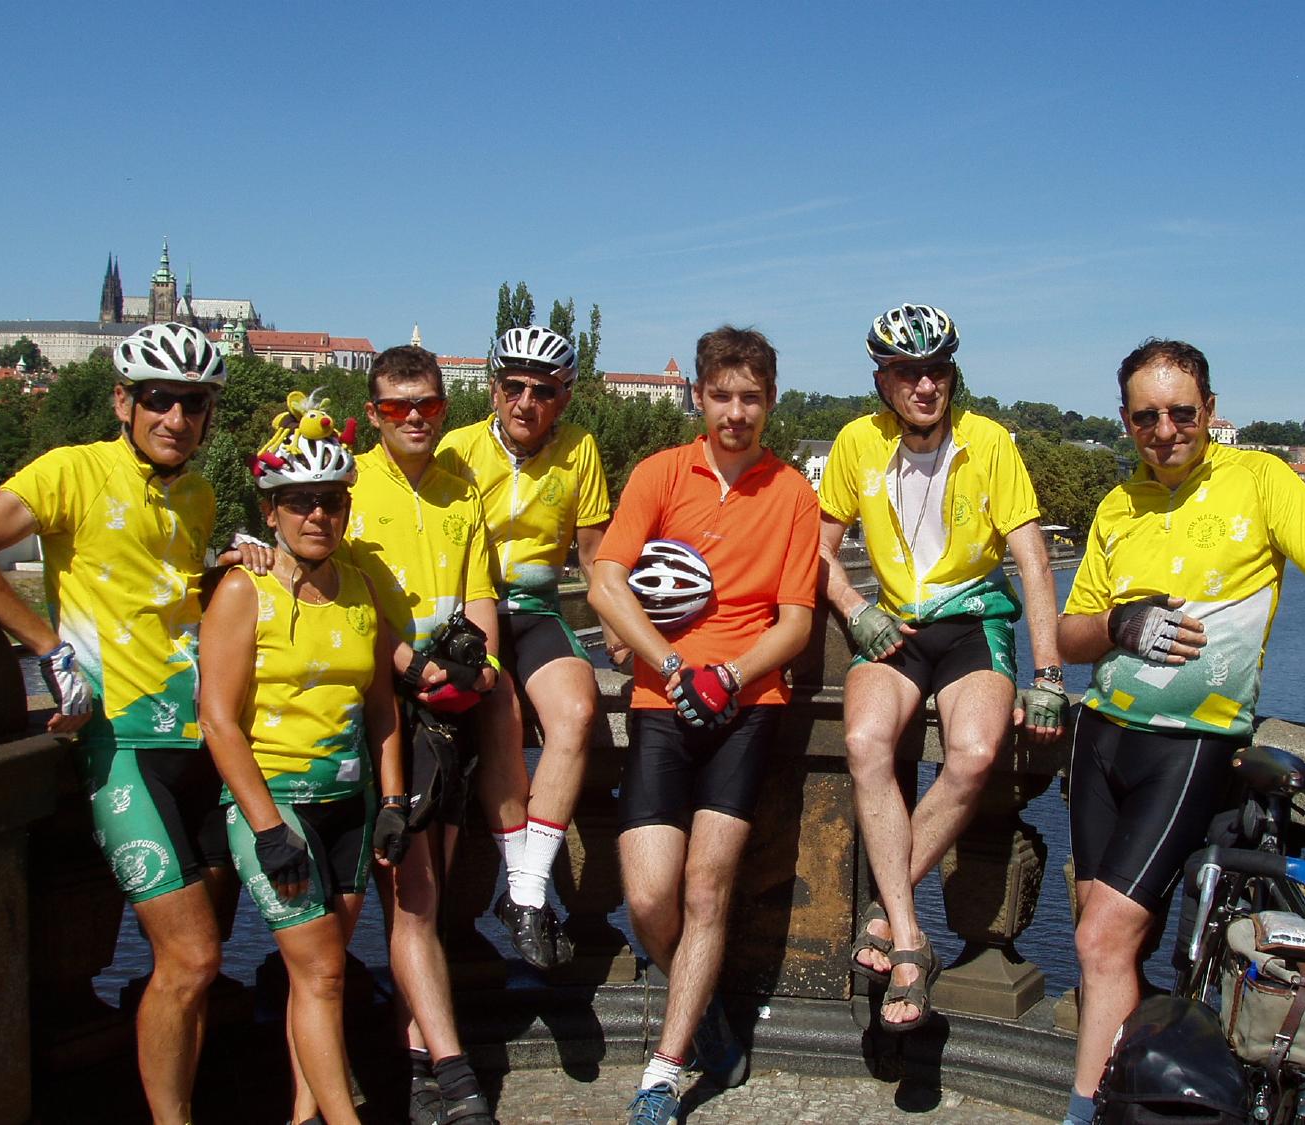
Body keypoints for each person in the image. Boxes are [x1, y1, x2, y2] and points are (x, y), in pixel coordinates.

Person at [1056, 338, 1305, 1125]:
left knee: (1104, 940)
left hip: (1191, 743)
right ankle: (1131, 1091)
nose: (1165, 429)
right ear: (1125, 421)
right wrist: (1118, 622)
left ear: (1210, 410)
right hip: (1101, 736)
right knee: (1099, 944)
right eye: (1147, 416)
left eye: (1182, 412)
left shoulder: (1260, 480)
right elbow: (1069, 638)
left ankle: (1086, 1115)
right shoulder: (1117, 504)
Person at [0, 323, 268, 1125]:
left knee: (202, 967)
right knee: (193, 956)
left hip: (200, 742)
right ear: (123, 401)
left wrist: (223, 568)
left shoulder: (198, 493)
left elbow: (165, 594)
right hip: (123, 746)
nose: (175, 416)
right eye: (158, 399)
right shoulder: (74, 469)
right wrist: (45, 645)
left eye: (193, 402)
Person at [589, 325, 820, 1125]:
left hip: (747, 705)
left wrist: (724, 674)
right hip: (663, 700)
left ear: (771, 402)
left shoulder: (793, 491)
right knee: (651, 896)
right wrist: (673, 665)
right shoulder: (660, 473)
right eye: (721, 394)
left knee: (706, 890)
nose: (735, 411)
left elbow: (793, 623)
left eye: (751, 397)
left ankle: (662, 1071)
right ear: (698, 396)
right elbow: (605, 583)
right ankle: (705, 999)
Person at [817, 303, 1066, 1034]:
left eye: (937, 371)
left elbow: (1031, 558)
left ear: (953, 374)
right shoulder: (856, 442)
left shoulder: (988, 440)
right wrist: (852, 605)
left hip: (974, 622)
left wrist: (1048, 673)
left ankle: (889, 922)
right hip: (894, 622)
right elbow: (817, 549)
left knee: (977, 753)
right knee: (864, 742)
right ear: (882, 380)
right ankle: (912, 936)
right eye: (908, 372)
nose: (925, 385)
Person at [199, 396, 406, 1125]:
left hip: (348, 805)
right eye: (299, 503)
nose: (317, 515)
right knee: (322, 973)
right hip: (277, 805)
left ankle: (301, 1113)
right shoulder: (239, 591)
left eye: (330, 501)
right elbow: (217, 719)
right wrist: (263, 825)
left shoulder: (359, 592)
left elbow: (381, 708)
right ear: (272, 510)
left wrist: (391, 801)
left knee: (313, 977)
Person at [344, 345, 499, 1124]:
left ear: (445, 407)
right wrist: (409, 666)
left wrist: (486, 663)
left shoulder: (459, 485)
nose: (415, 418)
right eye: (399, 407)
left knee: (425, 900)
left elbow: (477, 592)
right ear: (373, 413)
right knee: (410, 897)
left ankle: (415, 1062)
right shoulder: (344, 484)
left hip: (447, 708)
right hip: (379, 711)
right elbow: (333, 593)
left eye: (430, 406)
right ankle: (451, 1068)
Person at [435, 325, 614, 969]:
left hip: (537, 610)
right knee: (502, 720)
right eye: (514, 386)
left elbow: (595, 558)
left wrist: (621, 635)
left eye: (543, 390)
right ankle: (530, 891)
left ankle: (524, 891)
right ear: (493, 388)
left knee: (575, 711)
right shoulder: (456, 449)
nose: (526, 401)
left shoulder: (579, 451)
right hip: (468, 613)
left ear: (563, 398)